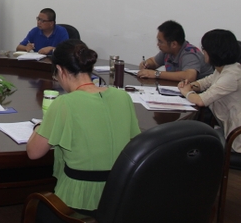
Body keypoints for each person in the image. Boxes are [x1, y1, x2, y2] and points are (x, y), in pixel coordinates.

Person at [27, 39, 140, 217]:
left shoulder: (64, 103)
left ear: (60, 70)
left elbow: (33, 153)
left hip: (78, 204)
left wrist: (39, 127)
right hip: (121, 197)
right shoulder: (122, 97)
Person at [178, 29, 241, 152]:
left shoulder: (232, 75)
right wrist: (190, 85)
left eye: (204, 48)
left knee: (191, 145)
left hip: (236, 139)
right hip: (227, 129)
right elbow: (204, 83)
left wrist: (185, 91)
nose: (203, 52)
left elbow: (201, 100)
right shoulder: (223, 69)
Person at [138, 20, 213, 81]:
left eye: (160, 42)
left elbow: (189, 76)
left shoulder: (190, 53)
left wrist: (156, 74)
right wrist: (146, 64)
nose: (158, 44)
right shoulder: (167, 51)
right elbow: (154, 61)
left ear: (174, 44)